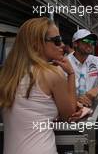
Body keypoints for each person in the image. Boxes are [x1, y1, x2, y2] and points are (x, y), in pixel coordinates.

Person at [0, 17, 82, 154]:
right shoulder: (53, 73)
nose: (62, 45)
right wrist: (71, 74)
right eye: (56, 41)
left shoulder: (7, 75)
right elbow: (69, 116)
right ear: (36, 44)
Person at [68, 29, 98, 107]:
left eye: (92, 42)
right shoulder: (65, 63)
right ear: (75, 44)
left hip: (94, 107)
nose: (90, 44)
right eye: (86, 41)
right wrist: (75, 100)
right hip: (72, 108)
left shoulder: (97, 61)